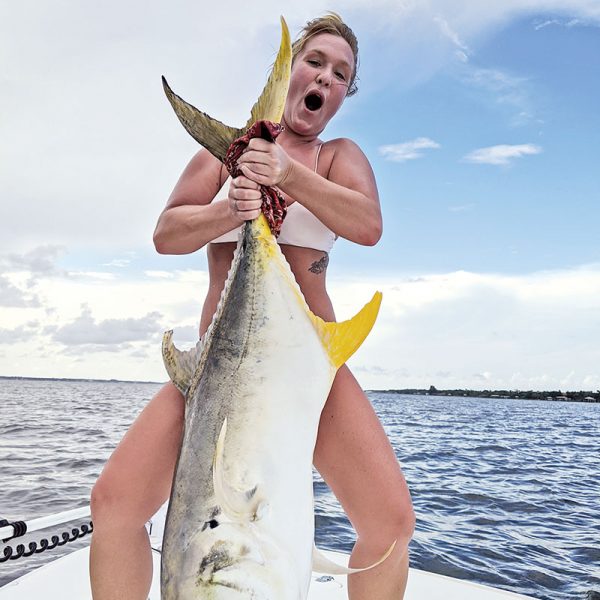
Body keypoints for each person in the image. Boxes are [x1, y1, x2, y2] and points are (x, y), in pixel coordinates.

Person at [89, 13, 415, 600]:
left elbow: (368, 225)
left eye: (341, 73)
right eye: (314, 61)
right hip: (218, 374)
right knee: (113, 503)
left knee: (390, 524)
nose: (325, 77)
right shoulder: (225, 155)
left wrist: (287, 174)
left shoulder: (336, 157)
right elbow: (167, 234)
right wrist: (229, 209)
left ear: (344, 94)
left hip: (307, 370)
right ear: (290, 72)